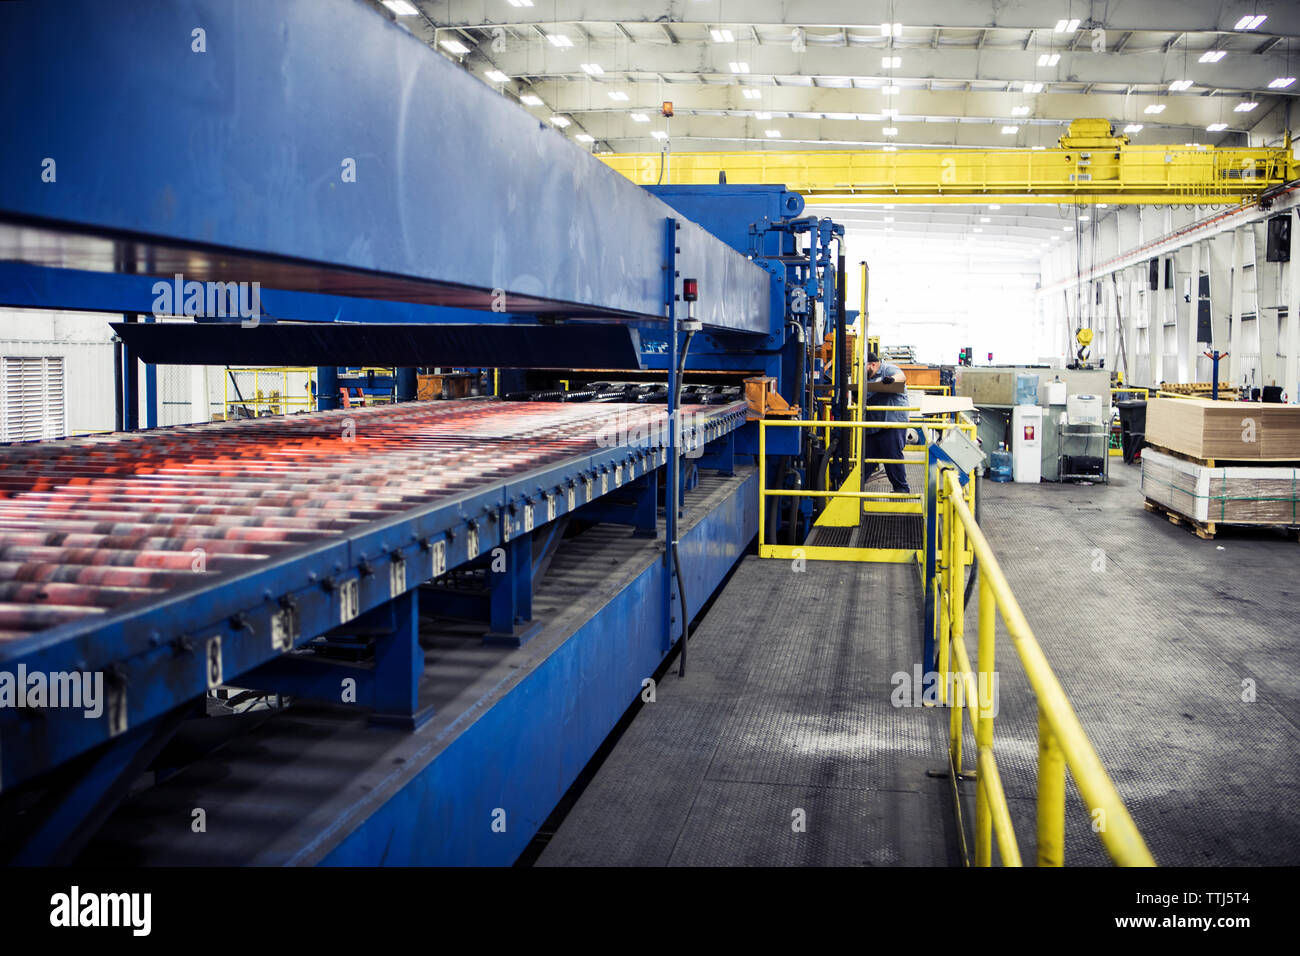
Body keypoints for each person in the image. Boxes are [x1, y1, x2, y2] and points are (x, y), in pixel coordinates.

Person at [862, 352, 911, 493]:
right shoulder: (866, 379)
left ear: (873, 364)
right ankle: (854, 487)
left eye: (863, 366)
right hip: (873, 425)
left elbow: (901, 377)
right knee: (867, 458)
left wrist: (891, 380)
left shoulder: (888, 369)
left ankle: (901, 490)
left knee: (892, 456)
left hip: (892, 422)